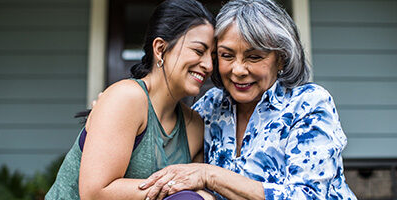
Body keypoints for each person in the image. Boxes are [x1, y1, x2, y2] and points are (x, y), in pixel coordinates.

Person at [139, 0, 357, 199]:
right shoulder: (210, 106)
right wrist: (123, 111)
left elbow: (308, 195)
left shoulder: (308, 103)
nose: (239, 69)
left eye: (254, 57)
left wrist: (210, 175)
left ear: (281, 59)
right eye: (226, 55)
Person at [45, 0, 216, 199]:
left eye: (213, 56)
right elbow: (95, 193)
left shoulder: (194, 126)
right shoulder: (127, 98)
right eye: (198, 51)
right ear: (160, 49)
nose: (209, 65)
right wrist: (175, 186)